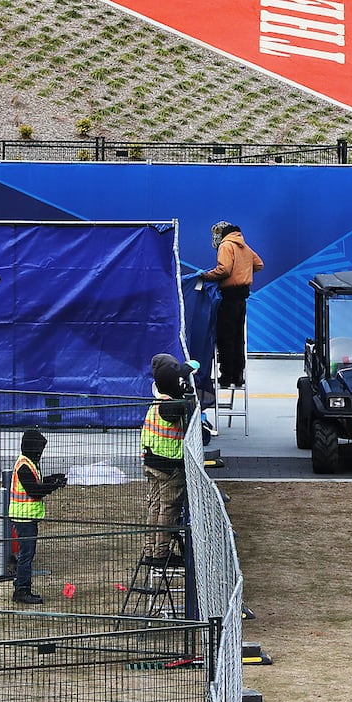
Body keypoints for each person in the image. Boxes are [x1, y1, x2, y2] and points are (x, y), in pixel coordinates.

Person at [141, 353, 197, 567]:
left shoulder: (157, 396)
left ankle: (150, 550)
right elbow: (176, 410)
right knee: (167, 510)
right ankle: (161, 553)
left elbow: (193, 365)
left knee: (154, 508)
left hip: (152, 462)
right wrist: (186, 397)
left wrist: (184, 371)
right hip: (169, 467)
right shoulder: (168, 406)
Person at [200, 221, 264, 388]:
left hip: (228, 297)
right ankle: (238, 375)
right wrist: (243, 271)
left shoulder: (226, 245)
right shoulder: (242, 244)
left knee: (225, 337)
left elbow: (224, 269)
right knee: (238, 339)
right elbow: (259, 264)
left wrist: (205, 276)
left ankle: (226, 376)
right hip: (242, 298)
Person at [8, 429, 66, 605]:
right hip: (23, 517)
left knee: (26, 554)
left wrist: (52, 480)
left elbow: (37, 483)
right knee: (26, 555)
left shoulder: (30, 463)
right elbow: (34, 491)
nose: (40, 453)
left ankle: (21, 584)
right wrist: (53, 486)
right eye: (39, 449)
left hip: (27, 517)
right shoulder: (24, 465)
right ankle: (22, 590)